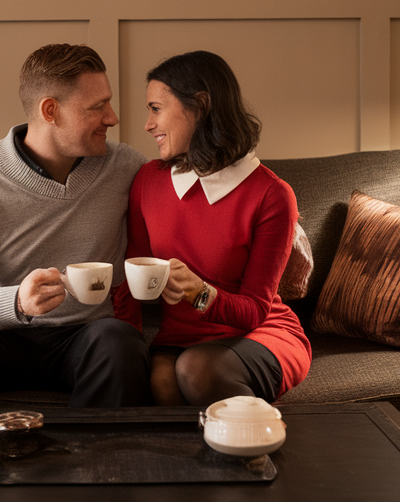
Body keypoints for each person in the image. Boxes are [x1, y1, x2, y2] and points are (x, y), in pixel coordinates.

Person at [0, 43, 151, 409]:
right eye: (96, 107)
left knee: (120, 343)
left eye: (109, 102)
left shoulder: (125, 167)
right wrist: (16, 301)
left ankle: (97, 466)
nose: (113, 118)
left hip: (85, 337)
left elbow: (185, 189)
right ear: (50, 111)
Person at [114, 50, 311, 406]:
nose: (147, 124)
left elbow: (255, 309)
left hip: (259, 333)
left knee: (196, 369)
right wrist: (123, 343)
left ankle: (262, 455)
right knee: (161, 382)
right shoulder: (147, 181)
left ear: (200, 106)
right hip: (180, 336)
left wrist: (200, 293)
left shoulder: (271, 195)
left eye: (156, 108)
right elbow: (133, 276)